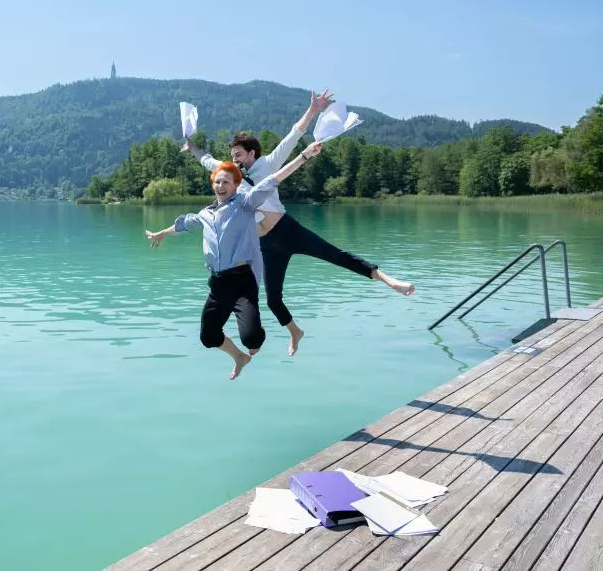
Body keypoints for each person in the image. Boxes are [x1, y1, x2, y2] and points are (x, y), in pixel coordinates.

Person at [182, 90, 415, 357]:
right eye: (232, 155)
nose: (233, 159)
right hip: (265, 244)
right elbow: (206, 160)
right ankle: (295, 332)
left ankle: (389, 280)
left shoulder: (268, 165)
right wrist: (192, 148)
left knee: (335, 255)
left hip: (287, 230)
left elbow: (294, 135)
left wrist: (313, 110)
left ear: (252, 153)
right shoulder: (232, 177)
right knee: (272, 299)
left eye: (238, 154)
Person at [144, 141, 326, 380]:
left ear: (235, 185)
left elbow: (274, 179)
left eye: (226, 182)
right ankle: (239, 357)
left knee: (252, 339)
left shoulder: (245, 203)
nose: (221, 185)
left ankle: (254, 340)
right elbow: (183, 224)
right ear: (213, 185)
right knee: (208, 336)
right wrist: (162, 233)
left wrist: (304, 156)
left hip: (242, 282)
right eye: (217, 181)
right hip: (218, 284)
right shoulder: (206, 214)